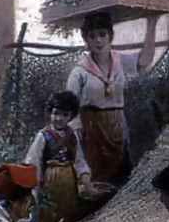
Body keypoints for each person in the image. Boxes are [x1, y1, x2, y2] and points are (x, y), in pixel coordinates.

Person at [66, 11, 158, 185]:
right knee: (97, 179)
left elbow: (144, 62)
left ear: (110, 36)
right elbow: (70, 107)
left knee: (121, 176)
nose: (98, 41)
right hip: (91, 130)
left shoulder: (120, 61)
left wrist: (151, 23)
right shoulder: (79, 72)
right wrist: (77, 132)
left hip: (117, 126)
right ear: (86, 40)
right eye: (92, 36)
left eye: (102, 34)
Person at [24, 91, 97, 222]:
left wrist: (85, 178)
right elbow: (33, 162)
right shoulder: (43, 136)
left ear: (71, 116)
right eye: (56, 113)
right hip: (49, 183)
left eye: (64, 115)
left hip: (69, 184)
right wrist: (34, 188)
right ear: (50, 112)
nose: (59, 118)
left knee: (67, 214)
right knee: (47, 216)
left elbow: (79, 160)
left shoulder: (72, 135)